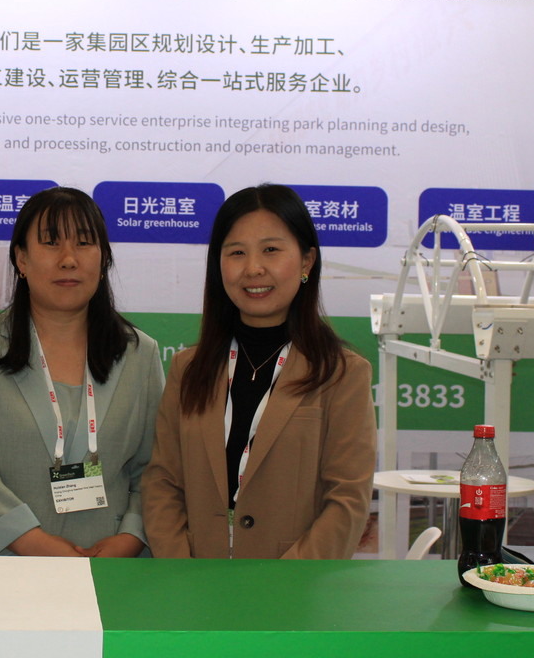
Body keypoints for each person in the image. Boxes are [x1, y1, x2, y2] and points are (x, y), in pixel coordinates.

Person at [142, 184, 375, 559]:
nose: (253, 268)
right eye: (237, 252)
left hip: (295, 585)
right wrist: (180, 568)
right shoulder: (189, 369)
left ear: (306, 261)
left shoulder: (342, 374)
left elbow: (347, 499)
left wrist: (281, 582)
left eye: (271, 250)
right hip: (194, 581)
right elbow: (163, 481)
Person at [0, 187, 164, 557]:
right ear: (21, 259)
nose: (69, 259)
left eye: (84, 243)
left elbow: (155, 469)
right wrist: (32, 542)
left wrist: (130, 537)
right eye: (51, 243)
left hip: (112, 563)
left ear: (104, 258)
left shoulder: (140, 353)